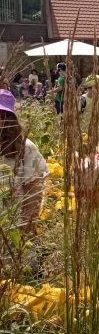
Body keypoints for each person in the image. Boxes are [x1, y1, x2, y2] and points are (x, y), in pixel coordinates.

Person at [0, 89, 48, 235]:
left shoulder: (25, 148)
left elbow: (34, 193)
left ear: (7, 118)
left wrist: (25, 232)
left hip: (12, 231)